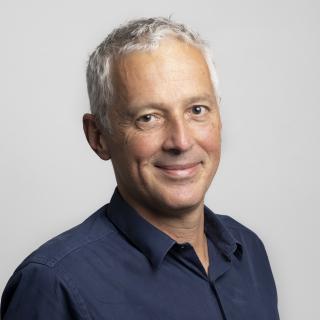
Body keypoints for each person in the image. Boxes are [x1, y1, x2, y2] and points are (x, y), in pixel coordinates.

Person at [1, 17, 280, 319]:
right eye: (148, 117)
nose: (181, 141)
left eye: (197, 110)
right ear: (98, 137)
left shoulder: (248, 251)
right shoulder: (54, 285)